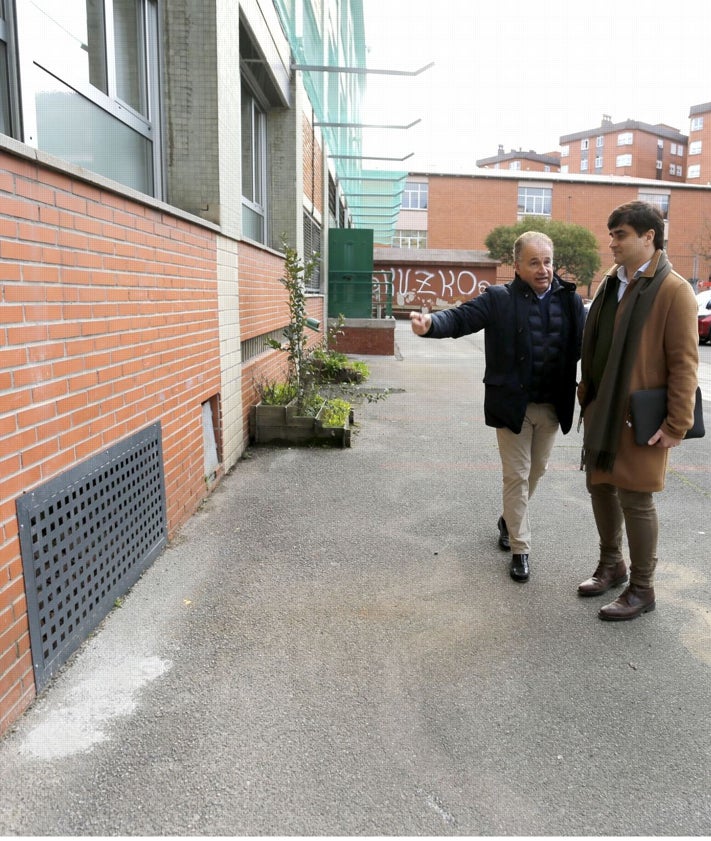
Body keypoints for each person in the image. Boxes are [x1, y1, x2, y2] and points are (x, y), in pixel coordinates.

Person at [410, 231, 585, 582]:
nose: (543, 269)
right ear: (517, 266)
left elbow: (590, 345)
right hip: (512, 406)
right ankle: (521, 549)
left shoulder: (570, 301)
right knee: (517, 476)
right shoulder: (499, 299)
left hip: (552, 405)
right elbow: (461, 318)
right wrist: (431, 324)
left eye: (547, 261)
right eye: (534, 262)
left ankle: (508, 518)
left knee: (536, 473)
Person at [578, 201, 699, 620]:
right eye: (611, 234)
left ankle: (642, 587)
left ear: (649, 236)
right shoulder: (612, 282)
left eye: (621, 234)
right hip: (602, 407)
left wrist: (677, 424)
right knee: (600, 485)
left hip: (640, 416)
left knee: (637, 498)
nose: (611, 242)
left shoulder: (674, 290)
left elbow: (684, 362)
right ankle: (611, 564)